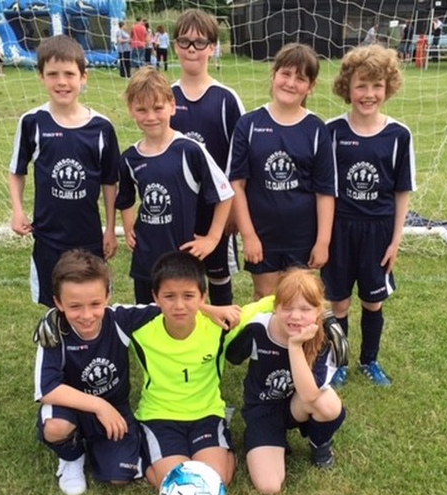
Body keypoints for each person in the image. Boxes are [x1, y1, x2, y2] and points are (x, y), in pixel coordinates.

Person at [132, 251, 268, 490]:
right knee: (176, 482)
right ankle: (150, 462)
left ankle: (224, 455)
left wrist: (321, 309)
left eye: (189, 296)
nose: (179, 305)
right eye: (169, 296)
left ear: (203, 296)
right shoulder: (140, 328)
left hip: (206, 415)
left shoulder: (220, 326)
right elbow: (102, 311)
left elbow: (268, 303)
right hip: (159, 416)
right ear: (155, 297)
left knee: (214, 480)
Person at [322, 45, 415, 388]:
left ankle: (370, 360)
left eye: (377, 86)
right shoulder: (332, 131)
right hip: (340, 230)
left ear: (388, 88)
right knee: (340, 303)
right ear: (347, 87)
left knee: (373, 302)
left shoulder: (399, 135)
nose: (368, 94)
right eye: (361, 85)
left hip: (378, 232)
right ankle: (340, 363)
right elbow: (324, 190)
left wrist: (395, 240)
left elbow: (402, 191)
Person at [34, 249, 159, 495]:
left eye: (95, 304)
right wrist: (99, 406)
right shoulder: (54, 331)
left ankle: (99, 447)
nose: (87, 315)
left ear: (107, 296)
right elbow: (47, 389)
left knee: (119, 477)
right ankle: (72, 457)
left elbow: (170, 307)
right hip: (71, 407)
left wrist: (211, 310)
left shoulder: (120, 319)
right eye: (75, 306)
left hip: (115, 405)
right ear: (58, 303)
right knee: (56, 427)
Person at [9, 35, 121, 307]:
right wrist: (17, 210)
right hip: (48, 236)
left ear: (84, 77)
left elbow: (110, 182)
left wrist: (109, 229)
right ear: (41, 77)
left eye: (69, 74)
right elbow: (17, 171)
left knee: (91, 303)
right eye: (53, 74)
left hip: (88, 237)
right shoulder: (33, 122)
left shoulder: (101, 127)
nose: (61, 82)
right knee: (55, 302)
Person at [116, 67, 234, 305]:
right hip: (146, 258)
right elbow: (126, 198)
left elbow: (225, 194)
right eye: (141, 110)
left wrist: (212, 238)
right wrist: (128, 228)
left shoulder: (189, 149)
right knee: (147, 315)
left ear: (172, 105)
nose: (150, 117)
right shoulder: (130, 157)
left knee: (183, 315)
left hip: (182, 258)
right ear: (131, 110)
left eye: (157, 108)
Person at [227, 43, 336, 300]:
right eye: (285, 74)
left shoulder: (316, 129)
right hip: (262, 235)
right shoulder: (249, 124)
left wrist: (322, 242)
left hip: (303, 236)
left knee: (300, 299)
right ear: (274, 74)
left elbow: (325, 192)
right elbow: (236, 185)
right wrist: (249, 235)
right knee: (265, 297)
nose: (290, 83)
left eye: (301, 78)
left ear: (310, 86)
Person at [226, 268, 347, 495]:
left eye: (305, 309)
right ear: (275, 306)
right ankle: (268, 438)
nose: (295, 316)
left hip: (298, 405)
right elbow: (232, 356)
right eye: (287, 307)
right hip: (262, 410)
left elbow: (310, 395)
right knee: (269, 486)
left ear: (318, 310)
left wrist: (295, 346)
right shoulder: (259, 328)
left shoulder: (324, 336)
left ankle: (319, 443)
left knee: (328, 404)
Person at [170, 9, 246, 306]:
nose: (192, 48)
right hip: (178, 207)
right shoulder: (166, 97)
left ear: (212, 48)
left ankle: (223, 329)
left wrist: (234, 211)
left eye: (200, 42)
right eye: (185, 41)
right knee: (180, 277)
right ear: (175, 46)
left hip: (216, 208)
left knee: (218, 275)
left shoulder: (226, 99)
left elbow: (239, 160)